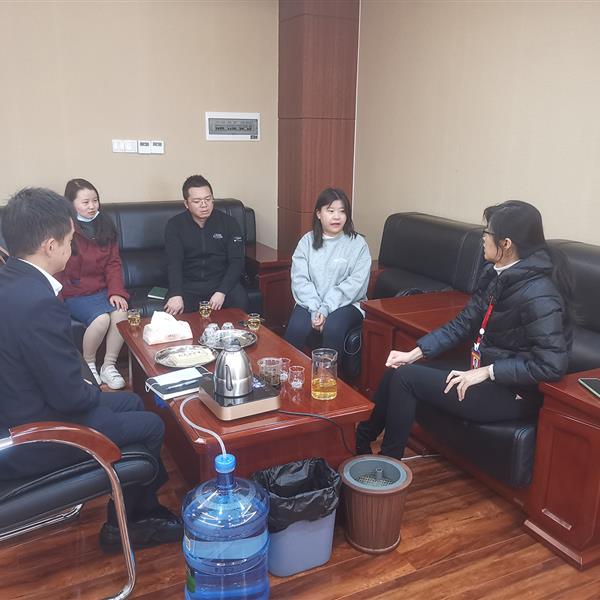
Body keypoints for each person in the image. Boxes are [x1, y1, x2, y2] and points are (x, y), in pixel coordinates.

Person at [0, 188, 182, 552]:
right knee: (151, 425)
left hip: (22, 409)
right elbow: (71, 397)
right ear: (50, 246)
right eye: (70, 241)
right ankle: (129, 524)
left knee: (133, 402)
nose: (72, 249)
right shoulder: (37, 302)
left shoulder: (12, 281)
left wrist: (88, 387)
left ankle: (139, 505)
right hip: (35, 434)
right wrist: (92, 388)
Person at [356, 200, 573, 458]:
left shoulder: (539, 294)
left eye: (488, 232)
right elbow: (464, 323)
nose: (483, 238)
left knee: (406, 379)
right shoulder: (497, 274)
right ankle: (359, 442)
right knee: (399, 368)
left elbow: (551, 365)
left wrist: (488, 372)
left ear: (506, 243)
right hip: (483, 369)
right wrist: (414, 353)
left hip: (514, 391)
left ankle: (387, 468)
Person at [284, 188, 372, 363]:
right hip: (311, 302)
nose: (337, 217)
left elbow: (355, 284)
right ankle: (288, 375)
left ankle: (326, 377)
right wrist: (315, 309)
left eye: (342, 211)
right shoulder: (307, 242)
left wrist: (326, 308)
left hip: (347, 303)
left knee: (333, 327)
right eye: (330, 211)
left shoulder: (358, 244)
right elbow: (300, 280)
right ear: (319, 213)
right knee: (297, 327)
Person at [58, 178, 128, 390]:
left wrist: (116, 292)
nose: (92, 206)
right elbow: (57, 267)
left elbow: (113, 263)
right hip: (75, 292)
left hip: (101, 289)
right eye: (85, 202)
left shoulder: (105, 224)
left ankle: (108, 365)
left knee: (121, 313)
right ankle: (88, 366)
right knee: (100, 320)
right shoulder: (63, 228)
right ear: (71, 204)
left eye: (95, 200)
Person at [163, 174, 249, 315]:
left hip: (221, 283)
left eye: (208, 199)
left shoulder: (229, 223)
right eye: (197, 201)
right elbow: (174, 263)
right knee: (173, 313)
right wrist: (176, 293)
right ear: (186, 204)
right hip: (188, 286)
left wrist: (222, 291)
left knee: (241, 303)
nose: (204, 205)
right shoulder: (175, 225)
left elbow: (237, 261)